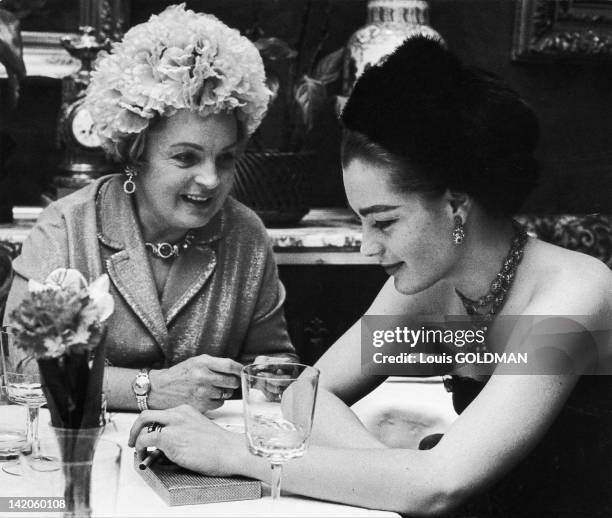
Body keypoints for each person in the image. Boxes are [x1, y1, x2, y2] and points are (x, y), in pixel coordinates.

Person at [128, 36, 612, 516]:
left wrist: (236, 454)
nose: (367, 246)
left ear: (456, 205)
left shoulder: (574, 295)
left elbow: (439, 485)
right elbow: (305, 395)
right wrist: (393, 477)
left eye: (384, 221)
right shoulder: (434, 291)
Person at [3, 5, 297, 412]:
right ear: (135, 155)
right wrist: (150, 388)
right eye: (186, 158)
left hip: (201, 462)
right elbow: (26, 366)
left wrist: (271, 374)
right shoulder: (69, 226)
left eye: (225, 159)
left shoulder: (246, 235)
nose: (211, 180)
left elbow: (272, 360)